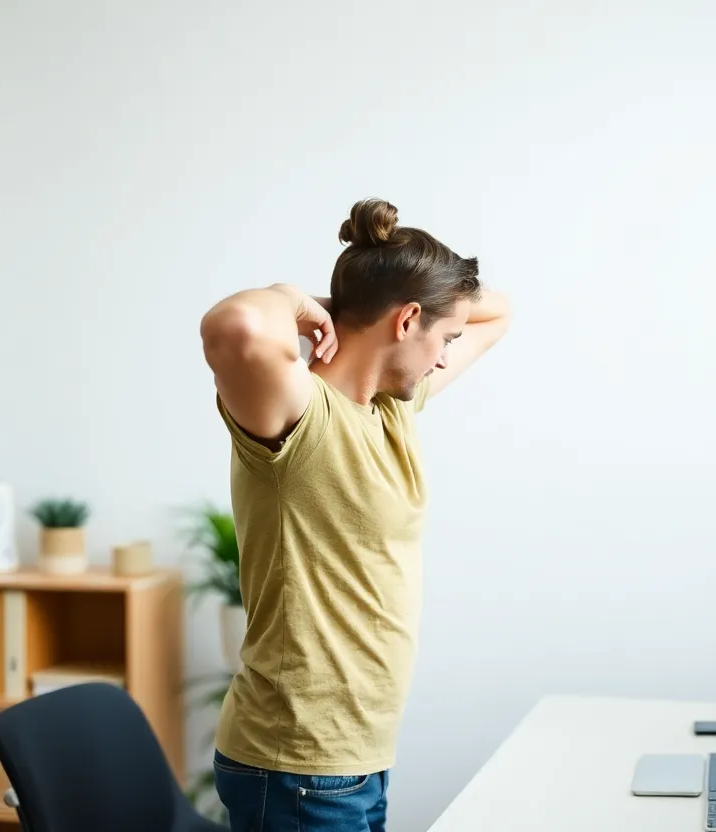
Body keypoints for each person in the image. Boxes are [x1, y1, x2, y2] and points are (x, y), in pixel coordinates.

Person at [199, 198, 510, 831]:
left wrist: (393, 293)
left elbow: (499, 311)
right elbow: (233, 326)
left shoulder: (393, 408)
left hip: (355, 758)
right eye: (442, 339)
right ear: (408, 321)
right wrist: (298, 297)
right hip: (297, 768)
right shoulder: (297, 411)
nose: (446, 357)